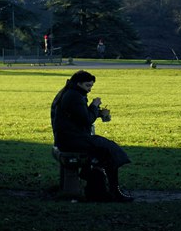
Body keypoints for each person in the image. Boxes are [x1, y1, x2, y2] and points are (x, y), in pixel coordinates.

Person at [50, 70, 133, 202]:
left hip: (68, 138)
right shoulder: (74, 96)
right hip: (72, 140)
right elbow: (87, 119)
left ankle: (101, 186)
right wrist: (94, 106)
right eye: (87, 86)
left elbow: (79, 116)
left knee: (105, 149)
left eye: (91, 86)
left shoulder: (70, 92)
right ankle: (111, 190)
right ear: (79, 83)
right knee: (108, 149)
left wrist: (97, 112)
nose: (89, 90)